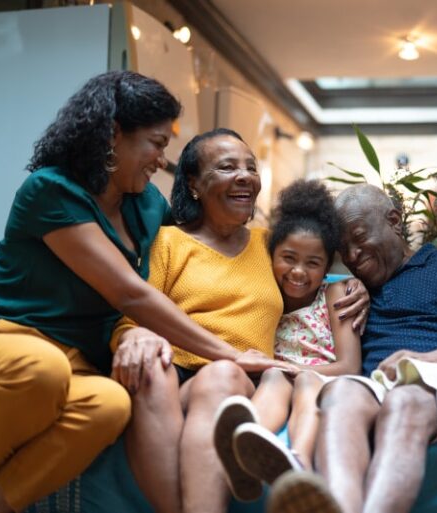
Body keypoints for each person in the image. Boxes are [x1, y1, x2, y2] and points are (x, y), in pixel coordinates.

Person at [0, 70, 213, 513]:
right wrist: (233, 354)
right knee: (40, 368)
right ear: (113, 134)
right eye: (157, 143)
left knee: (110, 405)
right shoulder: (50, 189)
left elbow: (191, 264)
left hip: (76, 366)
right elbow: (132, 295)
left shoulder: (149, 204)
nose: (161, 160)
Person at [109, 131, 368, 513]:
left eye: (251, 166)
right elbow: (133, 312)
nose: (245, 175)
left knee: (221, 375)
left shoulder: (269, 245)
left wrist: (351, 284)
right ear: (194, 183)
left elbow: (308, 274)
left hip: (238, 379)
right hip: (173, 381)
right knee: (150, 366)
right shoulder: (168, 243)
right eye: (228, 167)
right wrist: (133, 335)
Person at [266, 183, 437, 513]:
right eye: (343, 249)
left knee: (405, 398)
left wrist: (436, 357)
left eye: (360, 238)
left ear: (393, 219)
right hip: (371, 384)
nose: (351, 256)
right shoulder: (351, 292)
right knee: (342, 394)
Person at [212, 179, 362, 488]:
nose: (298, 271)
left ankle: (300, 458)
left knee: (301, 379)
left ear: (327, 267)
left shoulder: (335, 293)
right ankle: (244, 452)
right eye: (289, 258)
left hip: (323, 379)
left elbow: (349, 366)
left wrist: (288, 368)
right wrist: (277, 370)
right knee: (273, 379)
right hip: (274, 381)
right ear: (272, 255)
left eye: (313, 263)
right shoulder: (263, 294)